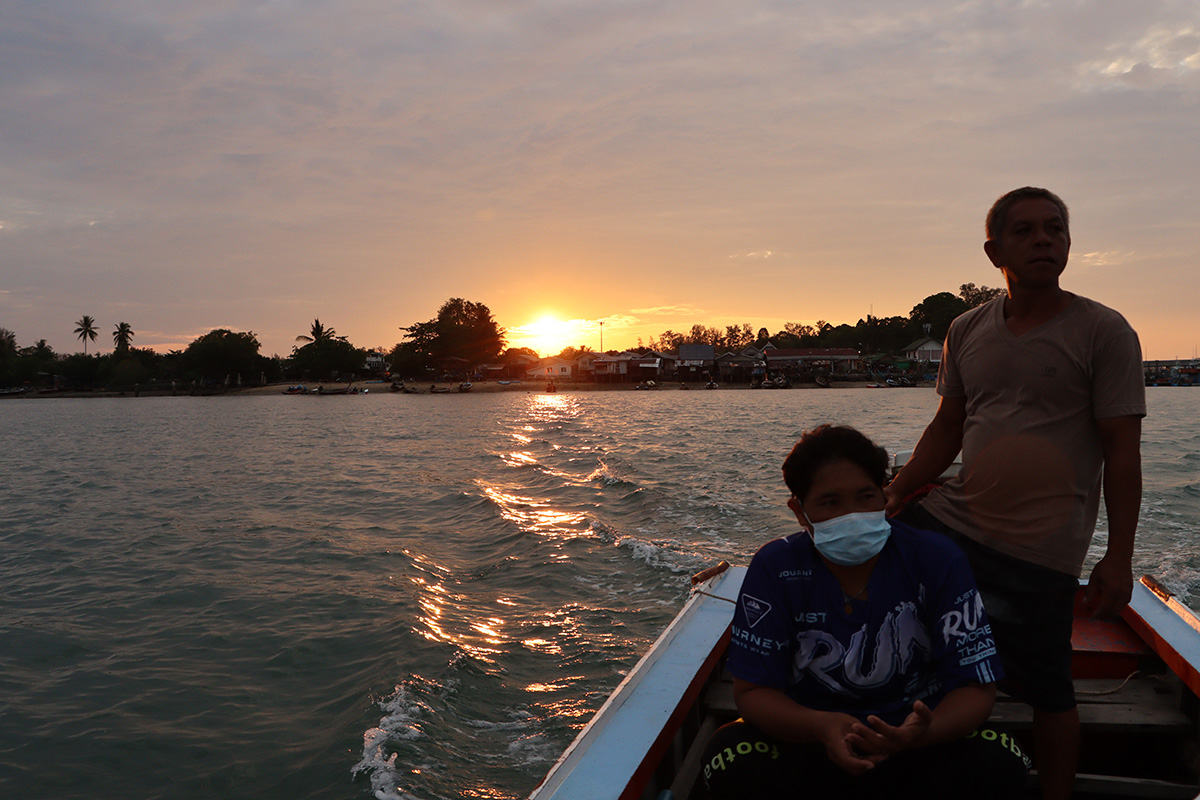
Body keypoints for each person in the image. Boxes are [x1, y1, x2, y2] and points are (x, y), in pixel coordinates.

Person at [883, 187, 1145, 800]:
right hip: (955, 518)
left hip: (1040, 547)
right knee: (861, 551)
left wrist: (1119, 556)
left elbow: (1121, 452)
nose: (1044, 240)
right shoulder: (967, 328)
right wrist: (892, 494)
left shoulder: (1104, 332)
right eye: (1025, 231)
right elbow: (948, 428)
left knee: (1048, 686)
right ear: (993, 249)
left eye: (1055, 229)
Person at [704, 425, 1029, 800]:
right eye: (830, 502)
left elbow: (976, 686)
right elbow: (754, 692)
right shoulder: (776, 568)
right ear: (799, 510)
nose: (852, 514)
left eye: (865, 496)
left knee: (1002, 756)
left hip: (918, 742)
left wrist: (923, 732)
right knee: (728, 755)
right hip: (812, 742)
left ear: (886, 495)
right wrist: (821, 726)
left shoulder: (936, 559)